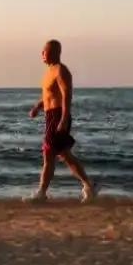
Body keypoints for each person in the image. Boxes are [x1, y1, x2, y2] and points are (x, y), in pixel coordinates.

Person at [28, 39, 95, 202]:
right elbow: (48, 95)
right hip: (50, 116)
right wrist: (38, 106)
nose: (41, 55)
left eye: (44, 51)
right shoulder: (48, 72)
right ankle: (88, 185)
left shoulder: (61, 71)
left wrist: (64, 118)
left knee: (53, 153)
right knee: (61, 155)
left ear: (54, 52)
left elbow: (67, 95)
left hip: (59, 115)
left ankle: (43, 192)